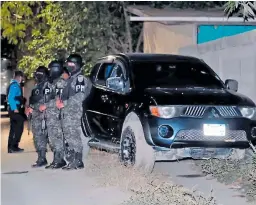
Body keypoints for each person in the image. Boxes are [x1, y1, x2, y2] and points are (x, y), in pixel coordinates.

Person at [56, 53, 92, 170]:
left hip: (75, 112)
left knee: (73, 135)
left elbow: (79, 97)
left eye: (71, 63)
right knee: (68, 135)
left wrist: (64, 104)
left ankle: (78, 161)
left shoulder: (80, 79)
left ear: (77, 65)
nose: (68, 65)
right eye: (68, 63)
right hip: (68, 112)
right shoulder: (71, 79)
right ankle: (71, 161)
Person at [28, 66, 54, 167]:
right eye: (37, 73)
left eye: (40, 73)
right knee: (38, 138)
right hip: (36, 116)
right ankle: (41, 158)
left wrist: (45, 106)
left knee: (52, 138)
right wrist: (30, 108)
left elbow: (55, 99)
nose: (38, 75)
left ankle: (59, 159)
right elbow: (33, 100)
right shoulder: (36, 86)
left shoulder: (50, 86)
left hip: (47, 115)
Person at [44, 60, 67, 169]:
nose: (49, 71)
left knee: (57, 138)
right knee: (52, 139)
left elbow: (60, 100)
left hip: (57, 115)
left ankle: (60, 160)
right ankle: (55, 160)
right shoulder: (51, 82)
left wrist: (48, 105)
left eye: (50, 69)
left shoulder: (61, 83)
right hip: (50, 115)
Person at [7, 70, 26, 153]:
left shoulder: (13, 84)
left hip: (14, 109)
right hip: (14, 109)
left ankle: (11, 147)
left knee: (14, 128)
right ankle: (13, 146)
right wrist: (15, 108)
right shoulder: (14, 85)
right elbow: (11, 97)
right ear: (20, 77)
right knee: (18, 128)